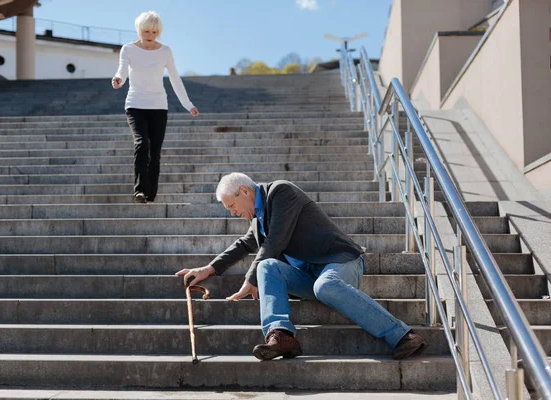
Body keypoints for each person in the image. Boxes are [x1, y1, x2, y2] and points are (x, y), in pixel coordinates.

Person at [176, 173, 427, 361]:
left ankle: (403, 335)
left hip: (340, 262)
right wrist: (208, 269)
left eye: (231, 206)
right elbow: (244, 244)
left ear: (244, 191)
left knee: (324, 285)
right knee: (268, 268)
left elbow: (275, 241)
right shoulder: (258, 219)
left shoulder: (281, 193)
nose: (232, 213)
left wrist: (249, 280)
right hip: (310, 276)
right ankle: (282, 336)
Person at [112, 11, 199, 204]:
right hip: (135, 104)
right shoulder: (128, 49)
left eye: (153, 31)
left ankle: (150, 195)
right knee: (142, 143)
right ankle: (140, 190)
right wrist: (118, 80)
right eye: (146, 31)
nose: (149, 35)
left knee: (156, 152)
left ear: (158, 32)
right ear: (139, 29)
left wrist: (188, 104)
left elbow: (175, 79)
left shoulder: (165, 51)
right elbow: (122, 71)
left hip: (158, 106)